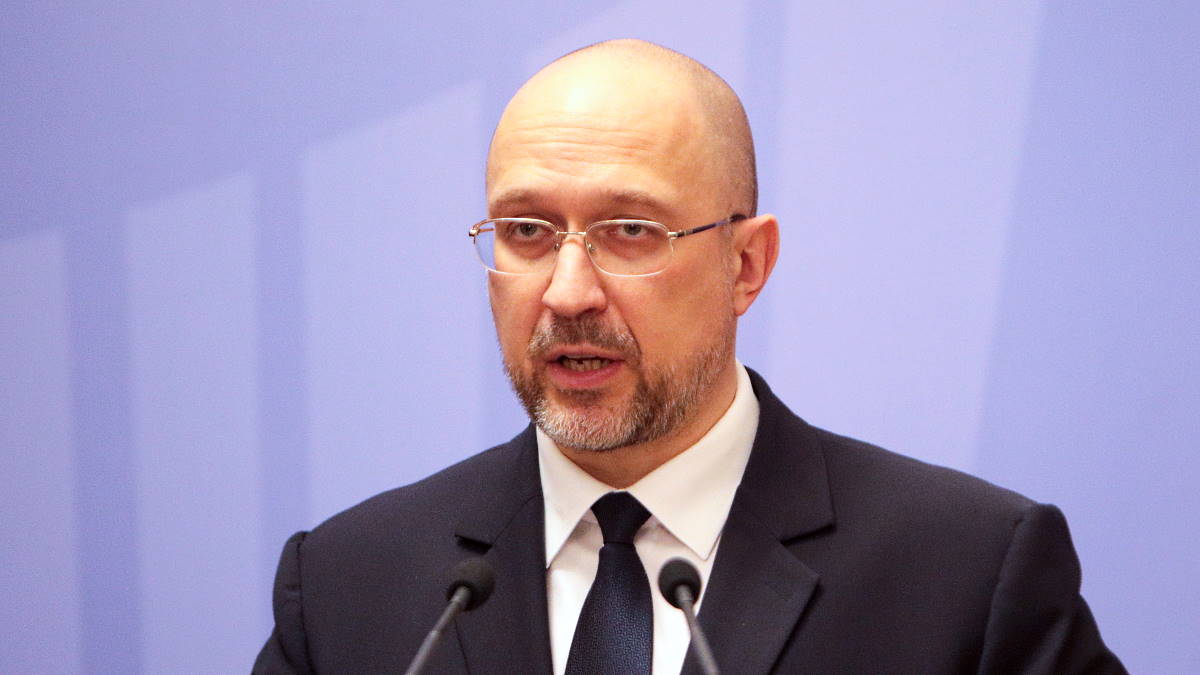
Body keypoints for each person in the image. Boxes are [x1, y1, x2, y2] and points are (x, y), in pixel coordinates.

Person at [254, 39, 1124, 674]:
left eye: (630, 230)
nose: (567, 293)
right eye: (526, 230)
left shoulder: (966, 575)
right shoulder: (347, 587)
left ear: (745, 265)